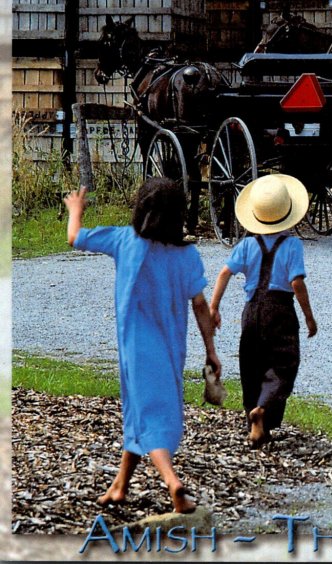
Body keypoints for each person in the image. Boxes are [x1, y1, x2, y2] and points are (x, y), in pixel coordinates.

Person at [64, 179, 221, 514]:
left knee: (147, 416)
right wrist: (211, 350)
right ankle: (120, 486)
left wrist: (75, 210)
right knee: (143, 412)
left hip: (136, 350)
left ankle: (171, 482)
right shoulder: (187, 254)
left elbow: (74, 237)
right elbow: (200, 305)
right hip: (169, 351)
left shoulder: (125, 240)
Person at [209, 174, 317, 449]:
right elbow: (296, 283)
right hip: (280, 310)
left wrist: (214, 306)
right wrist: (308, 317)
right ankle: (264, 412)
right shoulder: (292, 245)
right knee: (283, 365)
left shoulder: (246, 245)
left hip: (251, 312)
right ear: (288, 213)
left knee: (252, 365)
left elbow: (224, 272)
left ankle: (255, 423)